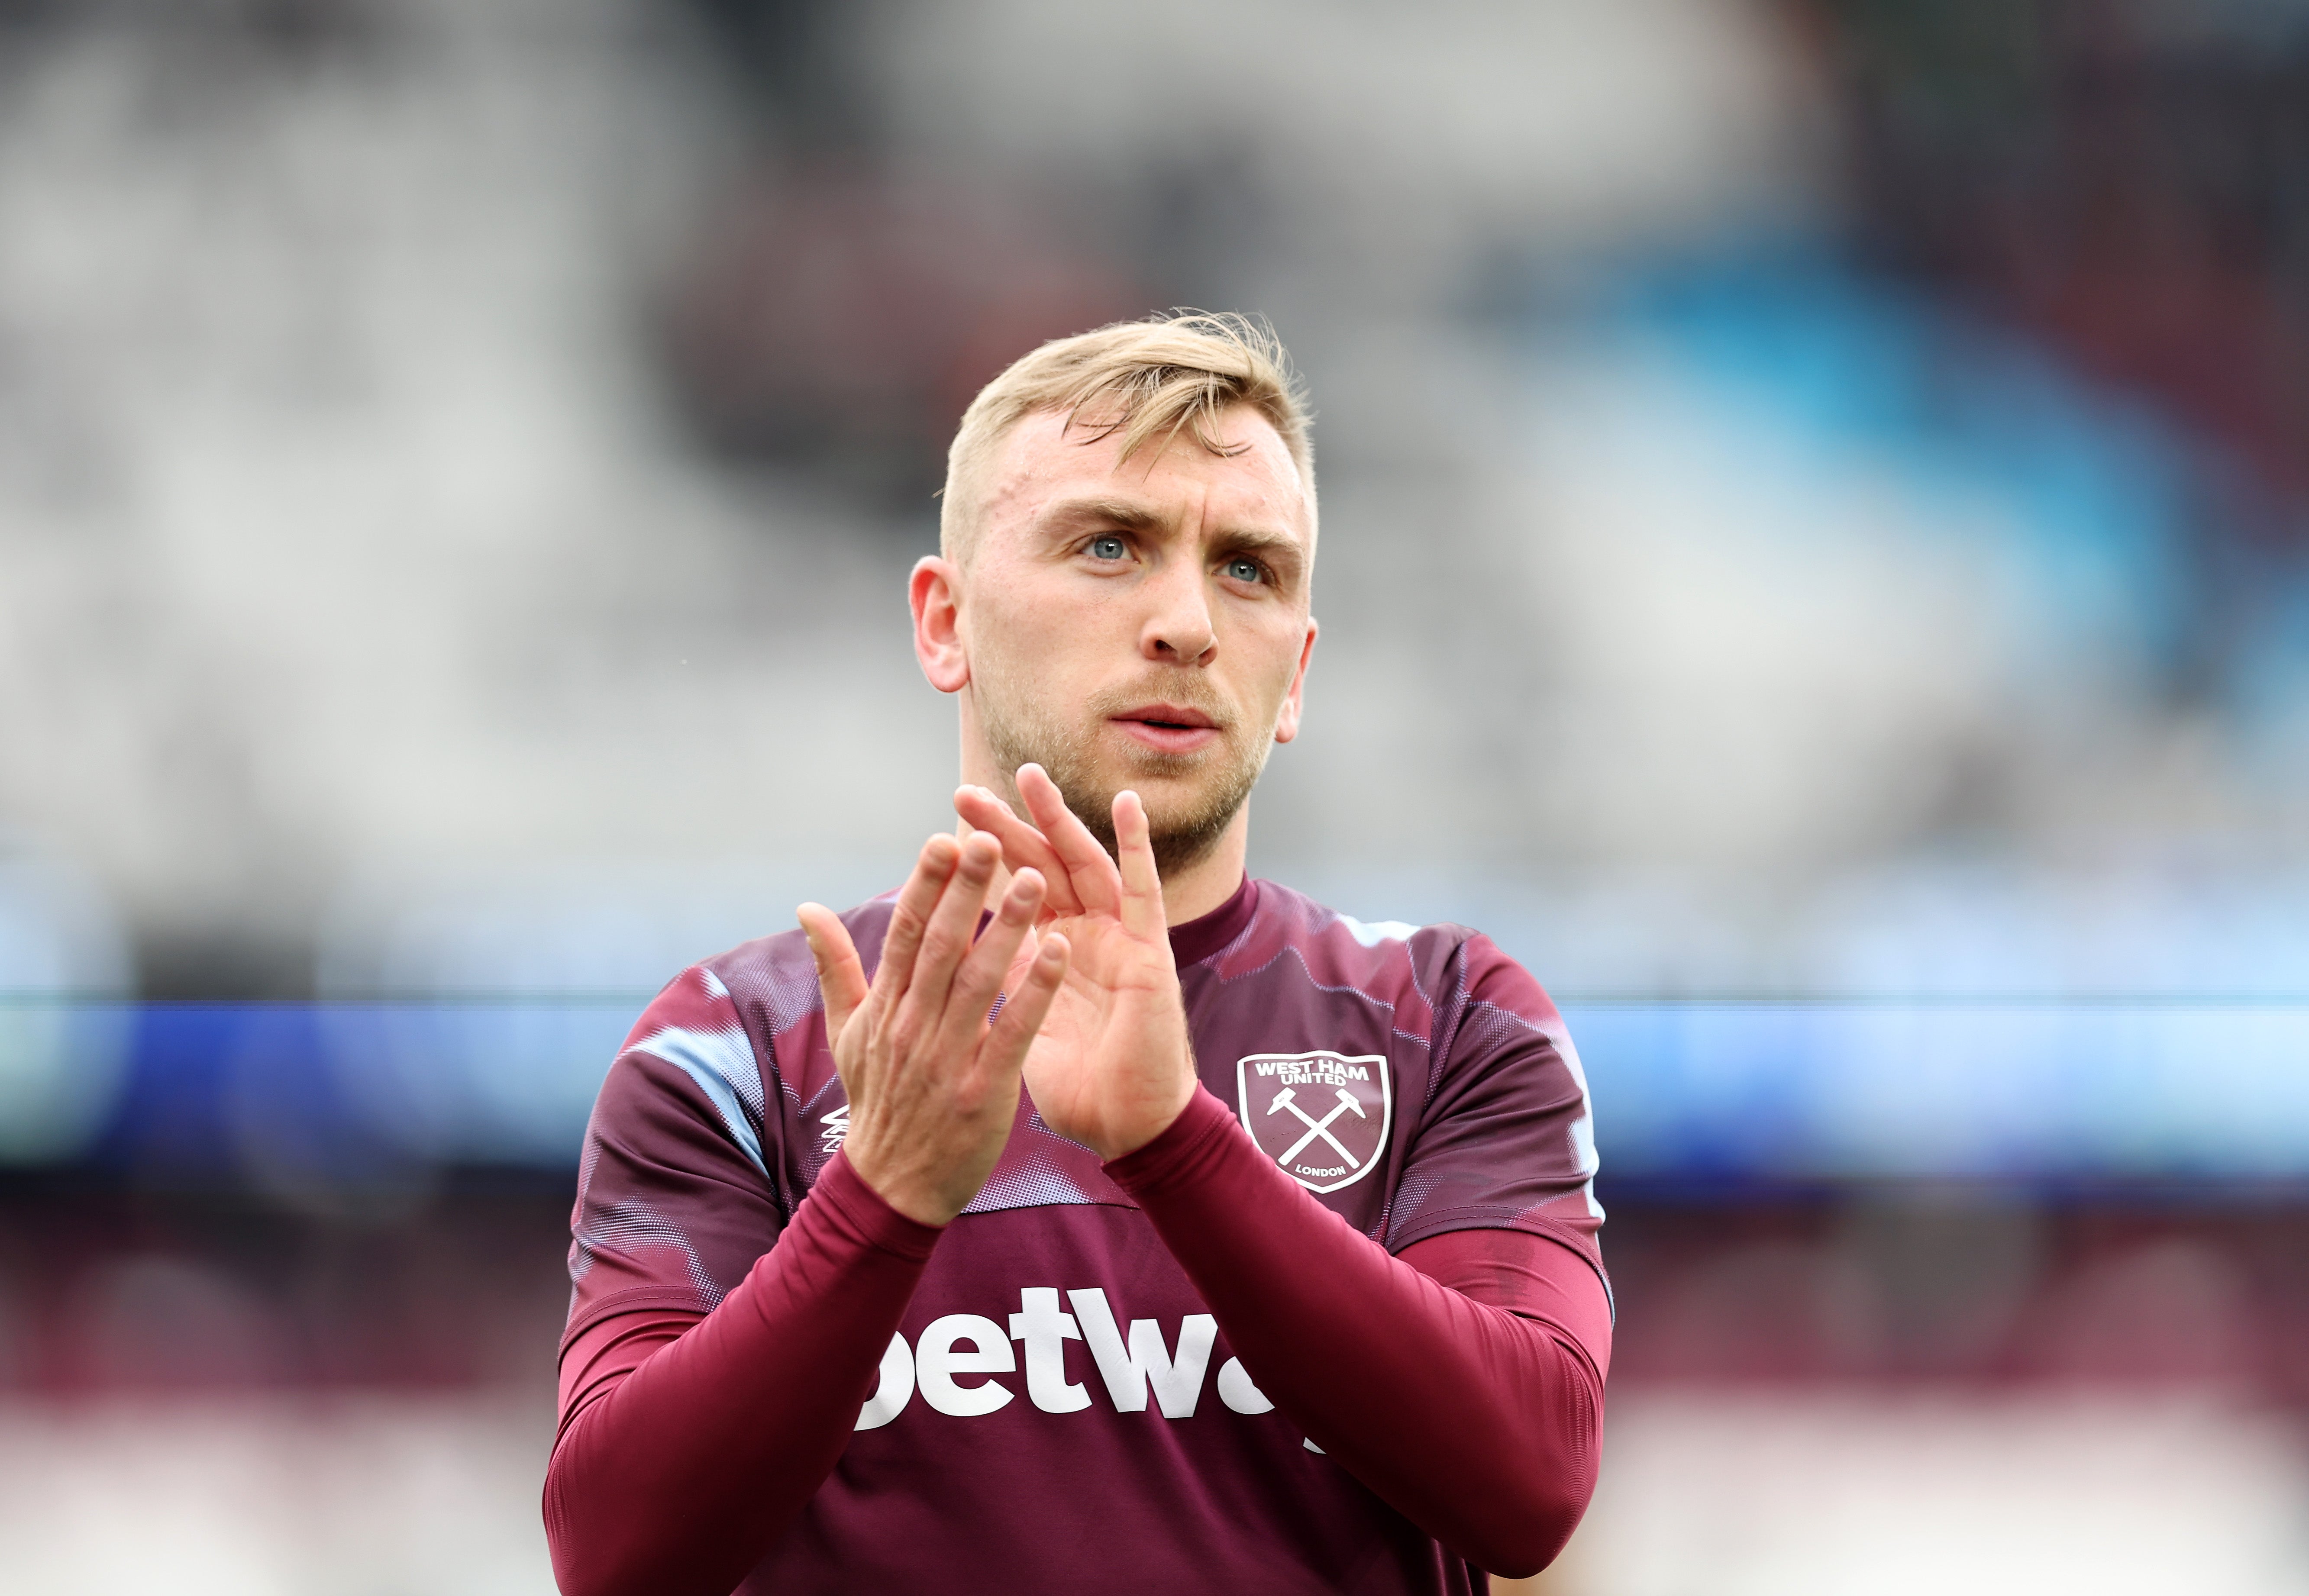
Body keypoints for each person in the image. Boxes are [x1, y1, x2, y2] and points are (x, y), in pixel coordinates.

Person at [543, 314, 1610, 1596]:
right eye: (1110, 545)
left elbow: (1532, 1484)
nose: (1188, 624)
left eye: (1251, 570)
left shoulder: (1450, 1019)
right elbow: (613, 1555)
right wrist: (878, 1197)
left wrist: (1176, 1144)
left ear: (1300, 676)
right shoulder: (733, 1045)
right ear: (945, 624)